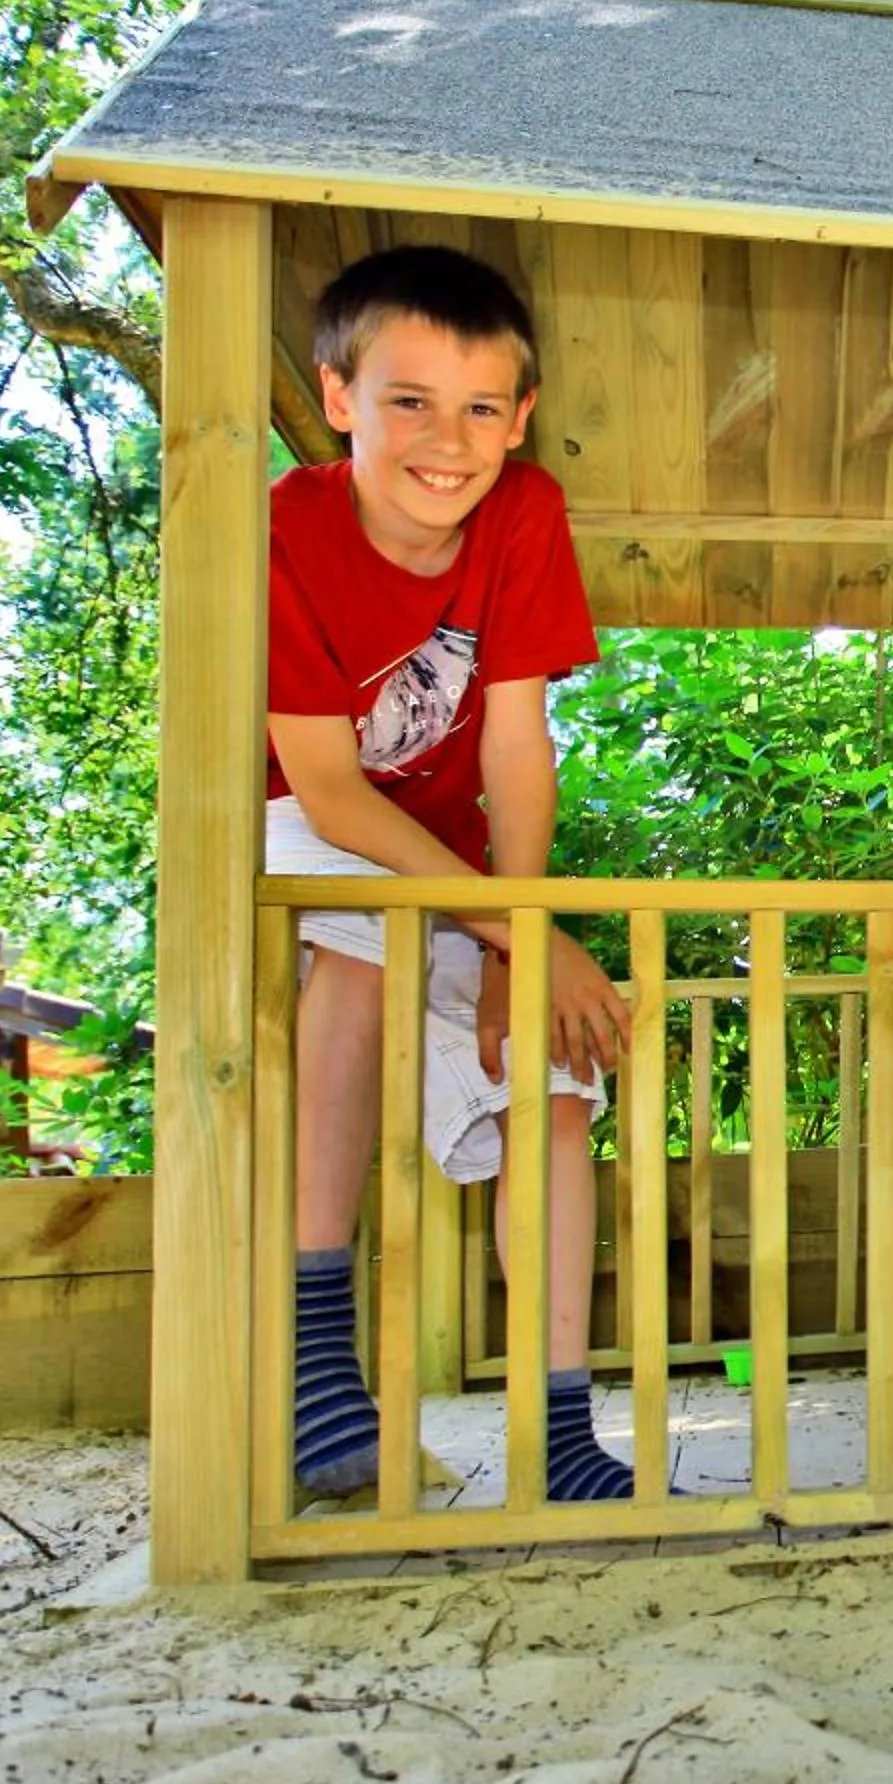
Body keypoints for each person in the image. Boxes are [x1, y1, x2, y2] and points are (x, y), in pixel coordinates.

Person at [266, 243, 637, 1503]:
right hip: (310, 823)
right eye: (408, 400)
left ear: (520, 418)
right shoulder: (284, 526)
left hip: (459, 862)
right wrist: (517, 931)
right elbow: (325, 786)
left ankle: (560, 1428)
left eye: (483, 406)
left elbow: (517, 750)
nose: (449, 438)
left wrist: (509, 942)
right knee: (364, 947)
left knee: (554, 1079)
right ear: (337, 398)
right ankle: (321, 1375)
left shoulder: (524, 513)